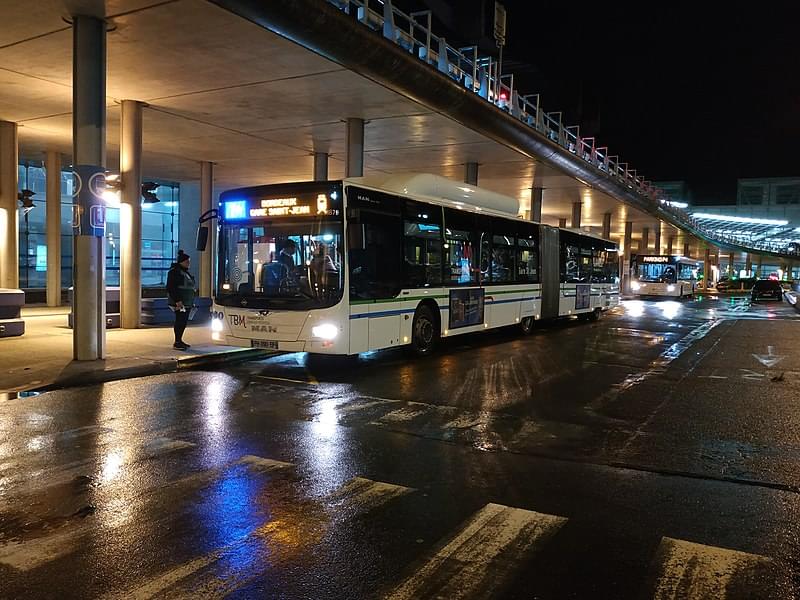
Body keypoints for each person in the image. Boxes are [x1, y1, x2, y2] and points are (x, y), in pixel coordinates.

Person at [166, 249, 196, 350]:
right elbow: (171, 287)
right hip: (180, 302)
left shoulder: (185, 273)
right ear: (181, 262)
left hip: (186, 302)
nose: (188, 263)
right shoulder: (175, 272)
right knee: (180, 321)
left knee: (183, 321)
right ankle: (177, 341)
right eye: (187, 261)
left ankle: (179, 340)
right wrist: (178, 301)